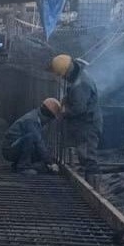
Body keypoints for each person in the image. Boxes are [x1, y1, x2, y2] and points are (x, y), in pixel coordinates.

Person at [50, 54, 103, 184]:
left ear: (67, 71)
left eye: (63, 75)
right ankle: (90, 182)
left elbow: (79, 108)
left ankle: (93, 186)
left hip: (88, 124)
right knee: (83, 154)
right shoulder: (78, 78)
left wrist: (64, 112)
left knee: (88, 156)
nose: (64, 78)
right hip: (84, 123)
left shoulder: (80, 84)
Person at [2, 98, 62, 175]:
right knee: (31, 137)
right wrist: (50, 162)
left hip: (16, 146)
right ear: (47, 115)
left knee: (38, 149)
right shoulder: (31, 120)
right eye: (51, 118)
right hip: (9, 150)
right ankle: (22, 167)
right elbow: (38, 142)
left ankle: (18, 164)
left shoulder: (36, 118)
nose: (49, 121)